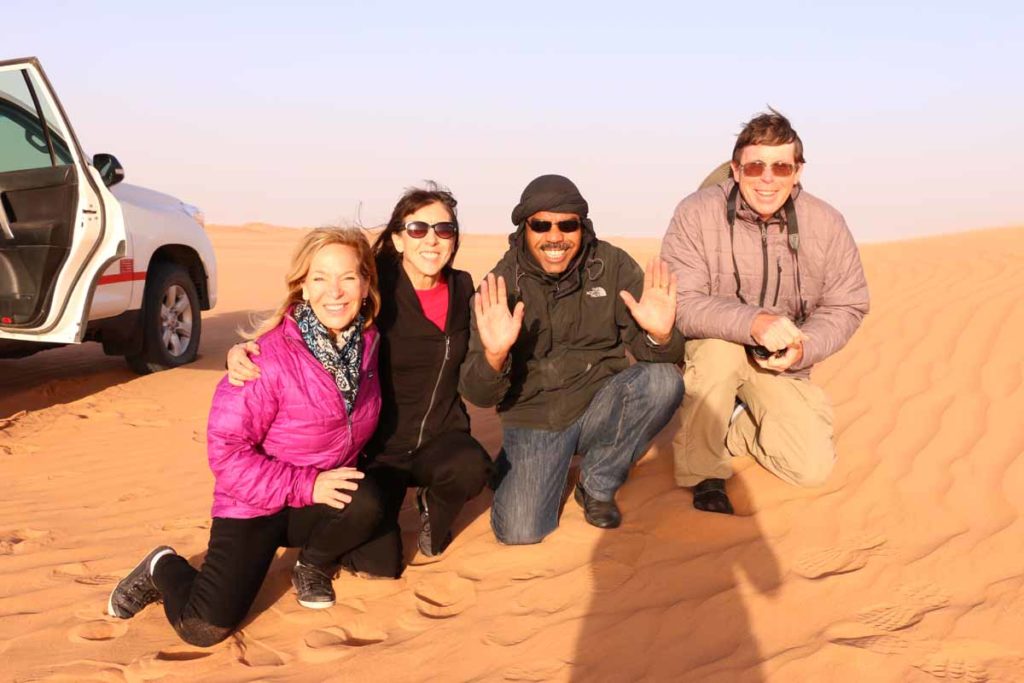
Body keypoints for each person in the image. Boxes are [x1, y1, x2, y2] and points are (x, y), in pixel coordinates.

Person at [107, 228, 386, 646]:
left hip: (312, 498)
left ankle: (310, 565)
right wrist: (306, 484)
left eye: (348, 277)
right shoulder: (264, 358)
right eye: (320, 277)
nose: (335, 291)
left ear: (365, 286)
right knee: (204, 628)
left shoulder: (368, 345)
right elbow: (227, 454)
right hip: (253, 504)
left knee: (369, 501)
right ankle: (161, 566)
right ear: (303, 287)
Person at [228, 185, 492, 576]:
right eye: (418, 229)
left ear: (455, 239)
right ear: (400, 239)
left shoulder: (463, 287)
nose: (431, 240)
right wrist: (250, 349)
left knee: (473, 466)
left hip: (441, 437)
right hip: (377, 450)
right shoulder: (375, 287)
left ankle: (433, 514)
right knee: (381, 567)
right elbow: (319, 310)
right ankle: (317, 553)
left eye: (444, 229)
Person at [660, 109, 870, 514]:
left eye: (781, 166)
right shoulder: (696, 213)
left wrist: (803, 348)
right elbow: (682, 302)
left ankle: (727, 429)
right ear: (737, 170)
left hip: (779, 363)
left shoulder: (826, 223)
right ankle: (704, 474)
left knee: (811, 468)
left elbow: (848, 304)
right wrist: (754, 322)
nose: (768, 178)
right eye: (756, 166)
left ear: (797, 170)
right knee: (718, 354)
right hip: (714, 347)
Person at [459, 174, 685, 544]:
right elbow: (479, 395)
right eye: (541, 225)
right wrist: (495, 355)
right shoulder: (500, 286)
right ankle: (516, 466)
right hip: (536, 416)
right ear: (523, 229)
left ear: (582, 227)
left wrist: (659, 335)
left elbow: (660, 356)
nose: (555, 236)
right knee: (521, 533)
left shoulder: (610, 266)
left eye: (567, 224)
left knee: (664, 380)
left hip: (599, 402)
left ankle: (597, 484)